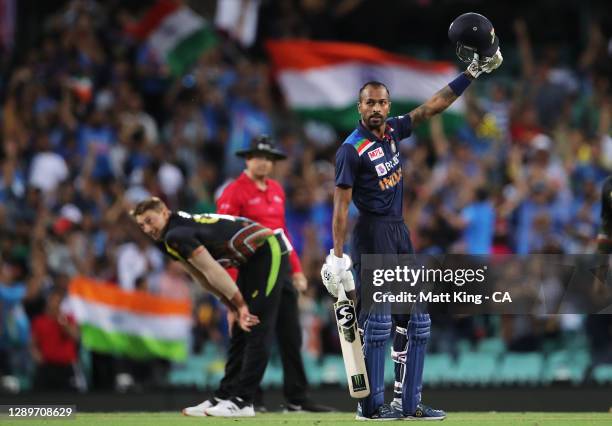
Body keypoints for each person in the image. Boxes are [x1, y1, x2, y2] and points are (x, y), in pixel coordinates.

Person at [321, 13, 503, 420]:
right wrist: (336, 256)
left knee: (417, 322)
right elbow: (339, 206)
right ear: (359, 106)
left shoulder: (392, 131)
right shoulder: (350, 149)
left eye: (382, 102)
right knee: (380, 325)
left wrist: (471, 72)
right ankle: (370, 407)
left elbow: (431, 108)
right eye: (370, 102)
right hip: (371, 235)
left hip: (399, 232)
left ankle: (410, 403)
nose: (377, 109)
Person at [131, 197, 290, 417]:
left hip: (268, 249)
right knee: (239, 329)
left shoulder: (176, 234)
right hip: (249, 260)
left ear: (165, 213)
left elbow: (213, 270)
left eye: (150, 220)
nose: (147, 229)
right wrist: (231, 306)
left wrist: (241, 305)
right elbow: (200, 276)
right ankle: (224, 396)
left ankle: (243, 401)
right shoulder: (167, 238)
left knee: (255, 325)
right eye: (142, 225)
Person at [216, 135, 332, 412]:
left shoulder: (277, 190)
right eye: (259, 157)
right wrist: (231, 288)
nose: (265, 163)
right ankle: (248, 397)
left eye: (269, 158)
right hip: (251, 273)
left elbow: (281, 234)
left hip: (279, 270)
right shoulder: (233, 192)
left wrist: (295, 269)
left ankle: (297, 397)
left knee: (291, 334)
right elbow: (224, 240)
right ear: (248, 159)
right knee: (255, 334)